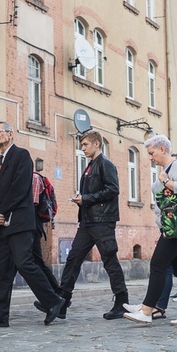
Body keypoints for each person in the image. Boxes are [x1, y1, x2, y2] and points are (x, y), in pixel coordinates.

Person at [0, 121, 64, 328]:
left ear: (10, 134)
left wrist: (1, 210)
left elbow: (20, 188)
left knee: (25, 263)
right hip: (1, 224)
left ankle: (53, 301)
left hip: (19, 222)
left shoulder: (22, 155)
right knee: (0, 269)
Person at [124, 135, 177, 325]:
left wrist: (166, 182)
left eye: (151, 153)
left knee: (158, 265)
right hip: (174, 226)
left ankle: (147, 310)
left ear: (162, 149)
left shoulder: (176, 166)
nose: (150, 157)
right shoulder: (168, 169)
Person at [58, 130, 129, 320]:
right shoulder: (90, 166)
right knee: (73, 259)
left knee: (109, 261)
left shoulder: (106, 164)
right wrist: (81, 199)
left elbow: (113, 190)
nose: (82, 149)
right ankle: (62, 302)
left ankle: (122, 303)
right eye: (81, 146)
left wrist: (86, 198)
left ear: (97, 143)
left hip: (103, 221)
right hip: (88, 222)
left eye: (85, 145)